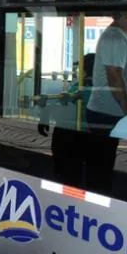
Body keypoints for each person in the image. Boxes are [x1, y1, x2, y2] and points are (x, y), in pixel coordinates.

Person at [85, 12, 127, 194]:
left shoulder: (119, 37)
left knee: (105, 166)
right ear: (123, 15)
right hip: (108, 113)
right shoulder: (114, 38)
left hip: (110, 112)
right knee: (103, 169)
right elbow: (114, 77)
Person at [38, 54, 94, 188]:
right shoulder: (103, 88)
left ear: (84, 70)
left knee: (66, 176)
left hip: (71, 136)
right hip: (91, 137)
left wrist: (44, 118)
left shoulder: (80, 88)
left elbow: (60, 107)